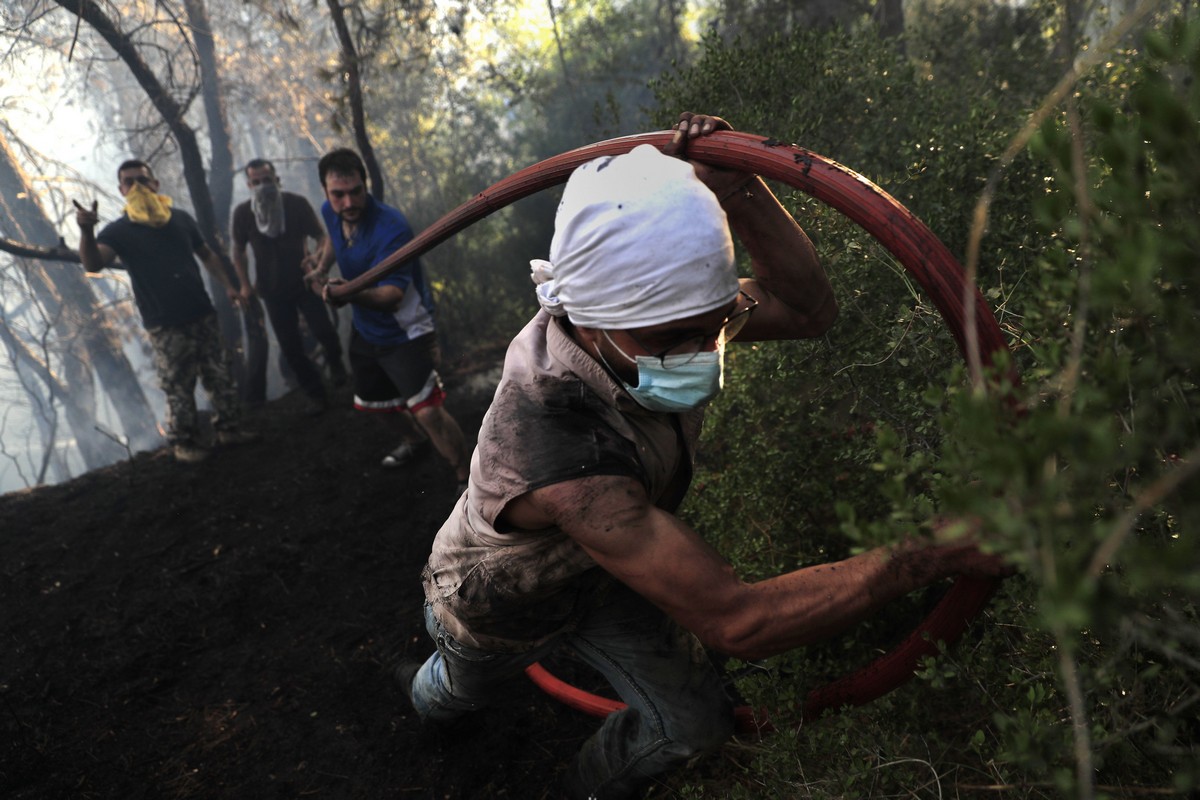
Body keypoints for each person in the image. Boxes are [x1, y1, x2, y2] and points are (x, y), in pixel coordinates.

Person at [403, 113, 1012, 799]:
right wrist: (933, 552)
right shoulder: (558, 444)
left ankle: (585, 786)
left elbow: (808, 311)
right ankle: (428, 699)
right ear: (594, 321)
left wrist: (741, 190)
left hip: (604, 581)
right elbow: (736, 621)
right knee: (457, 684)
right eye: (672, 338)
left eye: (714, 325)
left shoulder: (653, 319)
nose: (702, 355)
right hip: (494, 607)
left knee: (695, 725)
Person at [305, 148, 471, 489]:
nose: (348, 202)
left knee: (427, 411)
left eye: (355, 192)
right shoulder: (330, 211)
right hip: (366, 329)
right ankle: (415, 442)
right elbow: (336, 240)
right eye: (338, 194)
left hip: (406, 330)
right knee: (375, 405)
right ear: (325, 192)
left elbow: (392, 296)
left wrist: (345, 293)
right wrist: (321, 268)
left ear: (365, 187)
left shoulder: (391, 227)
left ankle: (468, 480)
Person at [74, 159, 257, 463]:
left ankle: (229, 429)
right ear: (122, 190)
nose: (137, 187)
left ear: (155, 185)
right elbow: (93, 264)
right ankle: (183, 444)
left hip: (201, 312)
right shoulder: (119, 231)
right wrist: (86, 231)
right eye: (129, 182)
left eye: (142, 180)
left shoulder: (181, 219)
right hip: (165, 324)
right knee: (178, 386)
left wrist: (229, 286)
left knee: (219, 374)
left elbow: (207, 256)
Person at [230, 158, 347, 415]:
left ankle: (336, 364)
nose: (263, 186)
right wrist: (245, 286)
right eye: (257, 182)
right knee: (290, 346)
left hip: (304, 281)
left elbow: (321, 236)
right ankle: (316, 395)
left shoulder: (295, 204)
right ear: (249, 185)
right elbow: (238, 251)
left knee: (324, 330)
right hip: (271, 291)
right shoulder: (243, 214)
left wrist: (317, 260)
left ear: (277, 180)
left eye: (267, 180)